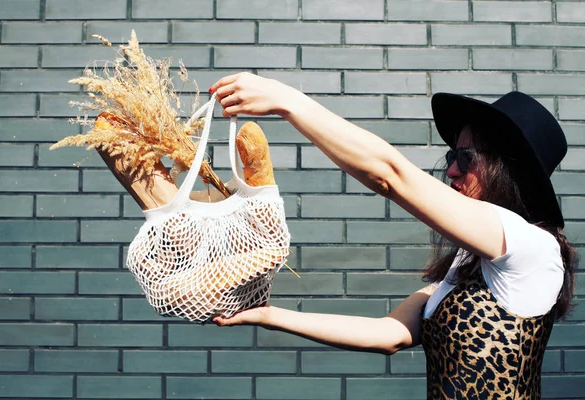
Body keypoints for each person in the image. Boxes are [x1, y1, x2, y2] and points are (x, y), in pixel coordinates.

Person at [209, 73, 577, 399]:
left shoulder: (532, 249)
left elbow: (390, 176)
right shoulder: (472, 264)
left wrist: (285, 100)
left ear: (505, 170)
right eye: (452, 155)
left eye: (465, 158)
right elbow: (389, 333)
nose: (450, 169)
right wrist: (266, 314)